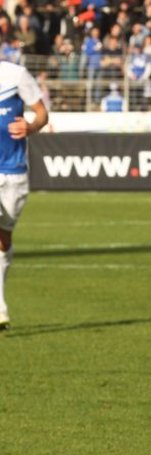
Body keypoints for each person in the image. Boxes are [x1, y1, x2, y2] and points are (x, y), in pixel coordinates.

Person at [0, 61, 48, 332]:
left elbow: (42, 114)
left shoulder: (15, 75)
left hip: (14, 173)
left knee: (3, 239)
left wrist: (31, 127)